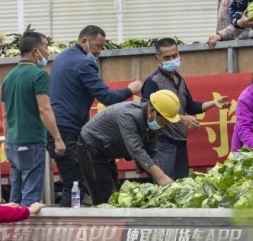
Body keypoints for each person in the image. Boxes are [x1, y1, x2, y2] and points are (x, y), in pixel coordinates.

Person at [48, 25, 143, 207]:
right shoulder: (84, 63)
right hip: (68, 130)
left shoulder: (62, 57)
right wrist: (130, 90)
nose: (99, 51)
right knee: (76, 185)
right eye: (98, 46)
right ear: (85, 41)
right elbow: (107, 97)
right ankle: (65, 223)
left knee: (74, 184)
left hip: (60, 127)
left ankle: (68, 220)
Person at [141, 37, 231, 180]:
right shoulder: (153, 82)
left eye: (174, 55)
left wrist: (213, 103)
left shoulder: (179, 79)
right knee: (165, 185)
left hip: (180, 141)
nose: (172, 60)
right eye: (167, 57)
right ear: (157, 58)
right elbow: (148, 115)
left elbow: (190, 106)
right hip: (162, 143)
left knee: (181, 184)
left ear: (179, 54)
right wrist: (182, 119)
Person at [77, 90, 180, 206]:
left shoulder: (151, 121)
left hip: (106, 151)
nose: (164, 125)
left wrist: (160, 181)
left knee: (114, 195)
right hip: (90, 146)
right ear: (152, 111)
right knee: (104, 196)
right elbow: (136, 150)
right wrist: (161, 177)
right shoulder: (128, 115)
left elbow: (152, 153)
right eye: (164, 122)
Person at [1, 32, 66, 207]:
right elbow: (44, 109)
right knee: (30, 200)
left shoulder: (8, 78)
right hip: (32, 142)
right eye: (45, 47)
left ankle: (14, 226)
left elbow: (5, 115)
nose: (47, 52)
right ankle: (28, 226)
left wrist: (8, 140)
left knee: (15, 200)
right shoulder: (39, 75)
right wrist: (58, 139)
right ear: (35, 51)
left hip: (12, 144)